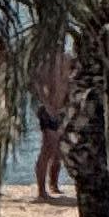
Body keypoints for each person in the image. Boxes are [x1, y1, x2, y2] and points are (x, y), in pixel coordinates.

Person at [30, 40, 74, 205]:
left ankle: (53, 185)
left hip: (63, 110)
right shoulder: (45, 64)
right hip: (48, 111)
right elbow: (36, 85)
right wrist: (47, 105)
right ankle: (42, 191)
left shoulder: (68, 59)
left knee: (56, 152)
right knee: (49, 149)